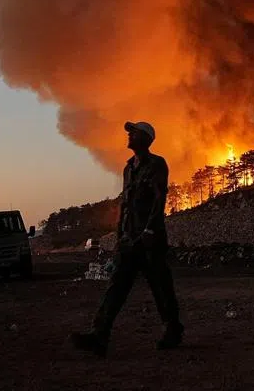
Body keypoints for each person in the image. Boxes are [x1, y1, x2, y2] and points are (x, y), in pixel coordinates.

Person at [71, 121, 184, 356]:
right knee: (116, 287)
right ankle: (99, 335)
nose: (129, 135)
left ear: (146, 138)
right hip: (129, 240)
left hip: (149, 240)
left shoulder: (156, 164)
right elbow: (125, 204)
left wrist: (149, 231)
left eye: (134, 132)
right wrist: (120, 234)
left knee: (161, 287)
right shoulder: (128, 168)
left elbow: (158, 199)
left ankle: (173, 330)